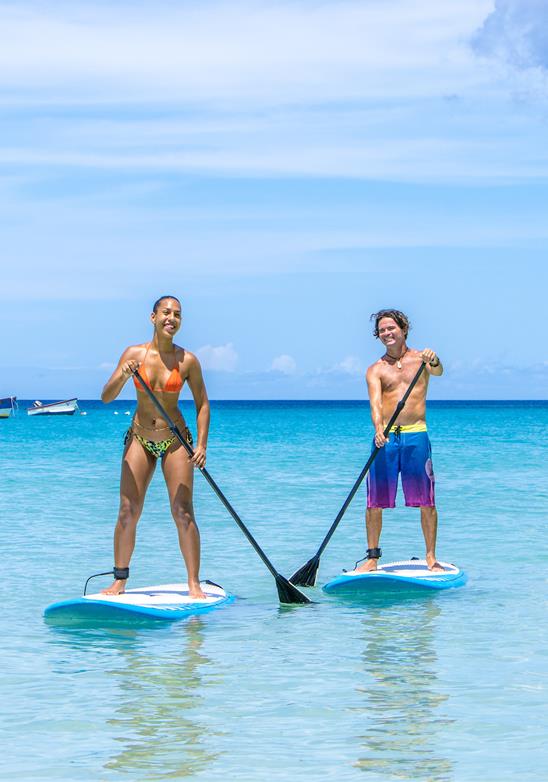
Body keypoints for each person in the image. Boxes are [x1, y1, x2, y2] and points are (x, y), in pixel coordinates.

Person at [100, 295, 210, 597]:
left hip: (176, 441)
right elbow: (106, 397)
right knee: (127, 510)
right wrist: (123, 374)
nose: (171, 318)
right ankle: (119, 579)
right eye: (165, 313)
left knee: (183, 511)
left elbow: (202, 404)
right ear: (153, 317)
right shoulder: (134, 354)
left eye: (177, 314)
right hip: (139, 437)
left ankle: (193, 583)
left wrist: (201, 445)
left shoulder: (187, 361)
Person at [355, 309, 444, 573]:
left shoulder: (421, 360)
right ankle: (372, 558)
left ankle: (430, 557)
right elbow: (376, 403)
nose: (386, 333)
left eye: (390, 328)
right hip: (386, 439)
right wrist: (378, 428)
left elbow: (438, 371)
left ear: (403, 329)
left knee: (427, 501)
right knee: (374, 502)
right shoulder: (375, 369)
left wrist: (435, 358)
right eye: (382, 330)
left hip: (417, 435)